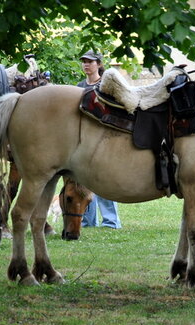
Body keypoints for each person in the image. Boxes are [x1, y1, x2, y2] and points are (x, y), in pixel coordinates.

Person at [76, 49, 122, 229]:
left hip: (105, 138)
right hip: (84, 138)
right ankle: (88, 221)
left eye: (90, 61)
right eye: (84, 61)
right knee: (85, 180)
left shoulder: (106, 85)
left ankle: (111, 222)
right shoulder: (79, 86)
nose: (86, 64)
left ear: (99, 64)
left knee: (104, 179)